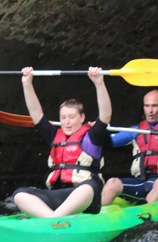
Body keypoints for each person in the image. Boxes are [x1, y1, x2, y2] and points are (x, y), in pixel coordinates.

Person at [11, 66, 112, 218]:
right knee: (19, 194)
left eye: (71, 117)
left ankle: (53, 218)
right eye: (63, 117)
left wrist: (99, 83)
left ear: (82, 118)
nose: (67, 122)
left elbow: (105, 115)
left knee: (88, 188)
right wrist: (27, 84)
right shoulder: (53, 135)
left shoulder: (92, 136)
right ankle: (53, 219)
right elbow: (36, 114)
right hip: (56, 196)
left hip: (83, 198)